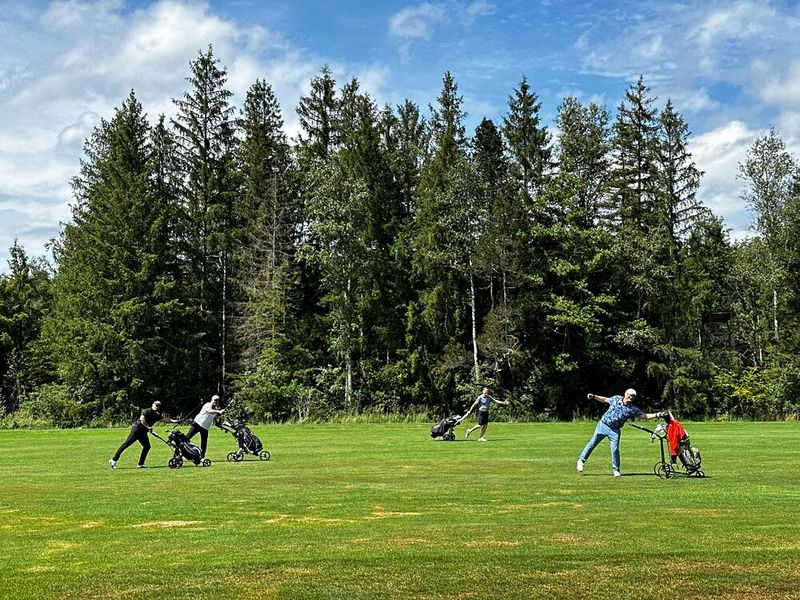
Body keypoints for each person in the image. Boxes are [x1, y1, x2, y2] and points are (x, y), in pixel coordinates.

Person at [576, 388, 662, 477]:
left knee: (615, 449)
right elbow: (605, 399)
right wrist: (594, 396)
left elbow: (644, 416)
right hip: (603, 425)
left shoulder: (632, 409)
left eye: (633, 396)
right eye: (630, 395)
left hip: (615, 430)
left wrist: (657, 415)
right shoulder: (616, 398)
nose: (631, 397)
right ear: (625, 394)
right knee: (592, 443)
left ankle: (616, 470)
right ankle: (581, 461)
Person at [109, 400, 176, 469]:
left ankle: (141, 464)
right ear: (153, 405)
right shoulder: (147, 411)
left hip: (143, 433)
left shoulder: (156, 415)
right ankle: (113, 460)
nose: (157, 407)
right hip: (137, 430)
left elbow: (165, 420)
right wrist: (148, 427)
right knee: (126, 444)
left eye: (158, 406)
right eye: (156, 405)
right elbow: (142, 419)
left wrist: (176, 421)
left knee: (147, 446)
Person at [186, 394, 226, 458]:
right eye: (215, 400)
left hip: (205, 428)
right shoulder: (207, 405)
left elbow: (214, 418)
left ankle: (202, 457)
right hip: (197, 424)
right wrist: (219, 411)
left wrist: (219, 418)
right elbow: (209, 411)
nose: (216, 402)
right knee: (186, 438)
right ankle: (179, 452)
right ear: (212, 400)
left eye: (217, 401)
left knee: (204, 443)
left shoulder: (216, 409)